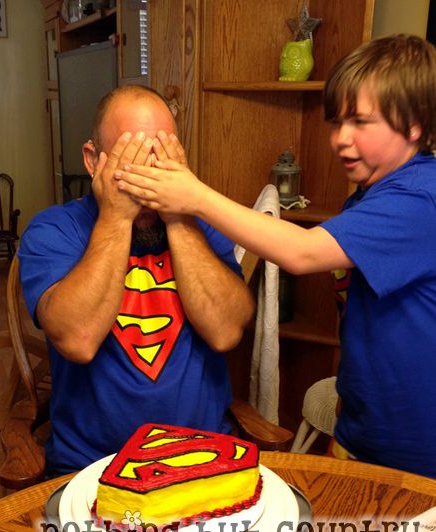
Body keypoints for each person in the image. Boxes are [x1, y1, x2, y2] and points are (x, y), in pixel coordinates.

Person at [119, 35, 436, 478]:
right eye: (335, 122)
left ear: (415, 123)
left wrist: (194, 196)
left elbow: (303, 252)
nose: (340, 139)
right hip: (364, 431)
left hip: (417, 447)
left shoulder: (421, 197)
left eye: (361, 123)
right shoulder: (369, 195)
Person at [18, 85, 255, 475]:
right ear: (94, 160)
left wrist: (177, 215)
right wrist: (116, 218)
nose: (150, 187)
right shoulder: (54, 230)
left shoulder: (201, 227)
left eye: (160, 163)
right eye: (133, 164)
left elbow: (226, 330)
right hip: (91, 469)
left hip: (202, 463)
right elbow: (77, 339)